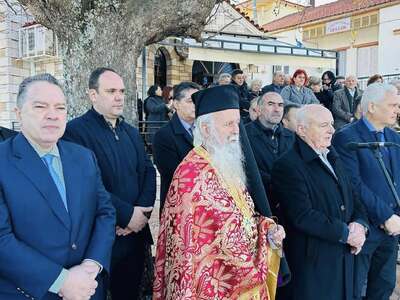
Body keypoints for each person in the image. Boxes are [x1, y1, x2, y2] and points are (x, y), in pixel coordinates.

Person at [153, 85, 286, 299]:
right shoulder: (189, 175)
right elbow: (186, 250)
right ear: (206, 130)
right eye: (228, 124)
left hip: (244, 281)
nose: (236, 130)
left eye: (237, 123)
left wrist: (267, 229)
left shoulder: (227, 163)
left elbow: (244, 218)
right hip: (212, 288)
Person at [0, 73, 116, 299]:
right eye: (40, 106)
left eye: (60, 108)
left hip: (87, 288)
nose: (52, 115)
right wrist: (62, 281)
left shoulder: (83, 157)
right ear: (18, 114)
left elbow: (105, 213)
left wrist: (90, 267)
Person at [63, 67, 156, 300]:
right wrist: (126, 216)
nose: (119, 96)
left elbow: (148, 171)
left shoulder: (131, 132)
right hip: (101, 238)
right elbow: (87, 185)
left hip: (135, 236)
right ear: (93, 95)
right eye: (111, 91)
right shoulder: (74, 132)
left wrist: (141, 214)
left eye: (122, 91)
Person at [271, 104, 368, 300]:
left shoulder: (332, 155)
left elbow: (353, 196)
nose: (332, 130)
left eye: (332, 124)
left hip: (343, 259)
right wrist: (346, 233)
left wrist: (360, 224)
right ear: (302, 130)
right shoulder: (288, 165)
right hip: (314, 267)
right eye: (324, 125)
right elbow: (302, 215)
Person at [333, 83, 400, 300]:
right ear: (371, 106)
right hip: (365, 228)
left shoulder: (394, 137)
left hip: (391, 229)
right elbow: (354, 184)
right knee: (355, 289)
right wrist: (384, 216)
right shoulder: (347, 137)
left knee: (384, 286)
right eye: (392, 105)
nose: (396, 110)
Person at [152, 82, 201, 211]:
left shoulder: (206, 130)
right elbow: (175, 176)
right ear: (176, 104)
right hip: (178, 208)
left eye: (198, 100)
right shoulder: (163, 136)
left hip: (204, 207)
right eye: (190, 101)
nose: (195, 105)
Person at [246, 92, 294, 217]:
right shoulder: (244, 135)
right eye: (271, 104)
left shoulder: (291, 137)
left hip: (288, 207)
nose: (277, 109)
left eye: (280, 105)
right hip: (259, 207)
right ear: (259, 109)